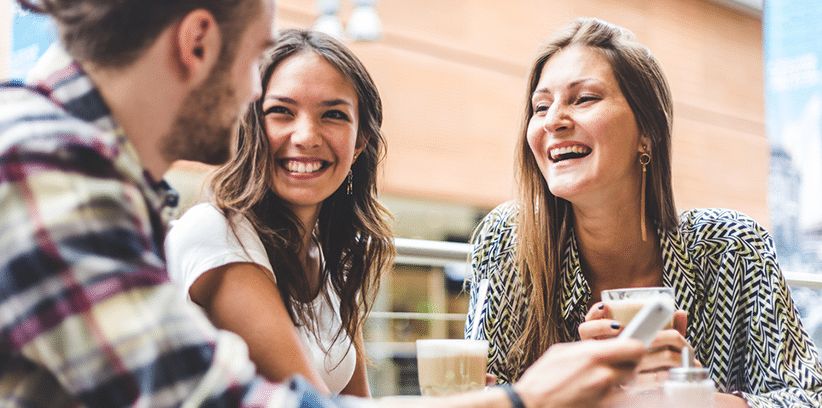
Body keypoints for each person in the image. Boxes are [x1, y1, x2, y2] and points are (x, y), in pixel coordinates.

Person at [0, 1, 646, 406]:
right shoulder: (47, 170)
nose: (256, 96)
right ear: (198, 42)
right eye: (259, 64)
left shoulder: (99, 174)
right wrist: (521, 400)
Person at [465, 16, 822, 408]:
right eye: (541, 106)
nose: (553, 121)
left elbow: (807, 396)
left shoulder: (732, 248)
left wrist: (692, 398)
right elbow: (477, 392)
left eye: (583, 99)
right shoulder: (504, 241)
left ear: (646, 131)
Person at [164, 29, 394, 397]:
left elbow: (353, 401)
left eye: (333, 114)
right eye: (280, 112)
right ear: (250, 125)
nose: (306, 136)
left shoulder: (331, 256)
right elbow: (315, 405)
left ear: (359, 143)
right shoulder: (217, 234)